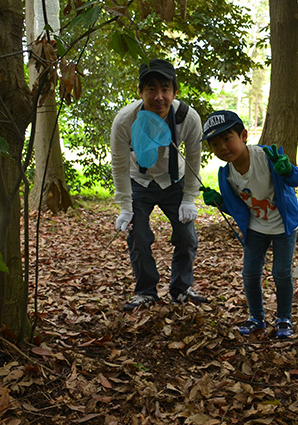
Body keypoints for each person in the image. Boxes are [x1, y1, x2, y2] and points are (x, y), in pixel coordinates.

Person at [110, 59, 208, 311]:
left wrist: (189, 199)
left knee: (186, 236)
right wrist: (124, 206)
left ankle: (181, 288)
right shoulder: (125, 120)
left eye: (165, 88)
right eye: (151, 89)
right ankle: (146, 291)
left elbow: (195, 160)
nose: (159, 97)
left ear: (175, 92)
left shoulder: (188, 118)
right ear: (140, 92)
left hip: (175, 181)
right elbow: (119, 165)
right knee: (138, 236)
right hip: (138, 181)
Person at [200, 110, 298, 339]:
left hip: (283, 226)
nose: (223, 147)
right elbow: (238, 207)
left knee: (281, 273)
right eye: (215, 144)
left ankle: (284, 317)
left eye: (228, 138)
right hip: (255, 229)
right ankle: (257, 317)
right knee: (249, 274)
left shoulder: (266, 156)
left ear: (244, 135)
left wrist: (286, 170)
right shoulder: (226, 174)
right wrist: (219, 201)